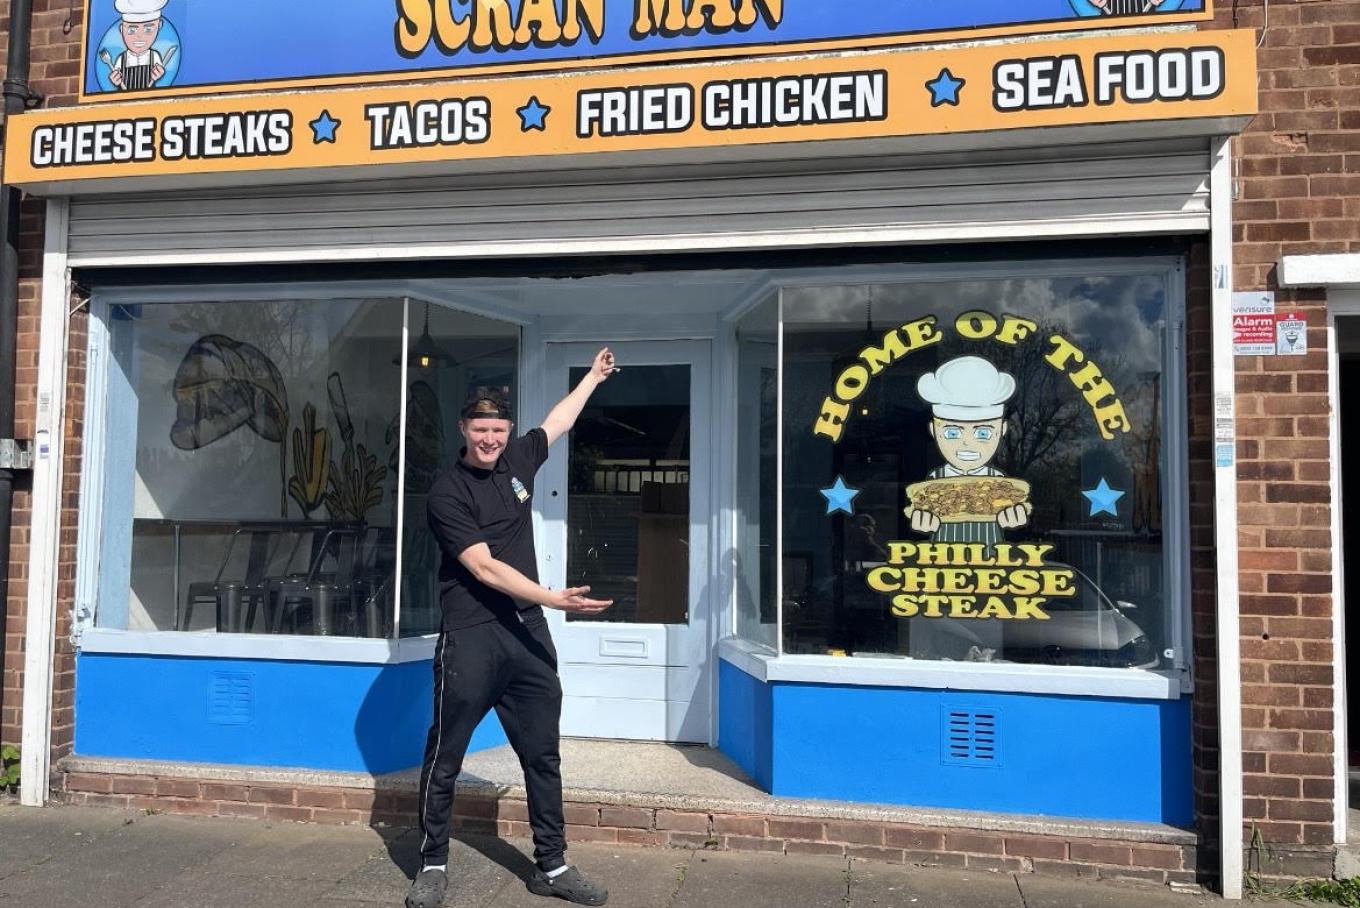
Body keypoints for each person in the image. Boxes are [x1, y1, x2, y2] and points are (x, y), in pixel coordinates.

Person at [407, 352, 618, 908]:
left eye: (498, 430)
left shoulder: (518, 461)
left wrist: (592, 378)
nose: (490, 439)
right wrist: (552, 597)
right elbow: (483, 568)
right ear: (463, 429)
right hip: (472, 637)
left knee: (542, 756)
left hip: (527, 635)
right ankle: (432, 864)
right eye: (481, 430)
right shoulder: (447, 493)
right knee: (446, 756)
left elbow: (558, 422)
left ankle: (552, 865)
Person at [908, 355, 1030, 546]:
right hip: (942, 559)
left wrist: (1014, 519)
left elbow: (1015, 522)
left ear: (1001, 431)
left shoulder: (1000, 482)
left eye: (983, 433)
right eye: (952, 433)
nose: (966, 443)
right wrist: (922, 520)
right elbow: (921, 512)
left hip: (990, 558)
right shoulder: (934, 481)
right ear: (934, 431)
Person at [107, 0, 168, 91]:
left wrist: (159, 73)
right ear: (121, 29)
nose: (139, 36)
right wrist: (115, 79)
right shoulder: (121, 59)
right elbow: (116, 77)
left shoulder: (154, 56)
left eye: (148, 29)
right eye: (131, 30)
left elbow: (161, 72)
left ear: (159, 26)